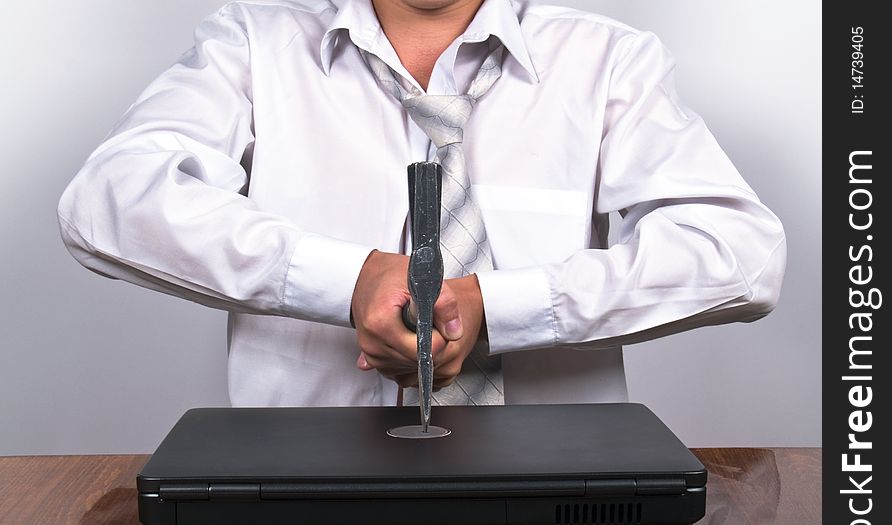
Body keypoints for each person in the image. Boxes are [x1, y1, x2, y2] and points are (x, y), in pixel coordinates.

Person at [57, 0, 786, 408]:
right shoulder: (251, 45)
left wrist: (501, 307)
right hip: (300, 504)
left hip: (556, 511)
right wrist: (344, 281)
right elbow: (107, 199)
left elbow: (741, 253)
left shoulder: (610, 61)